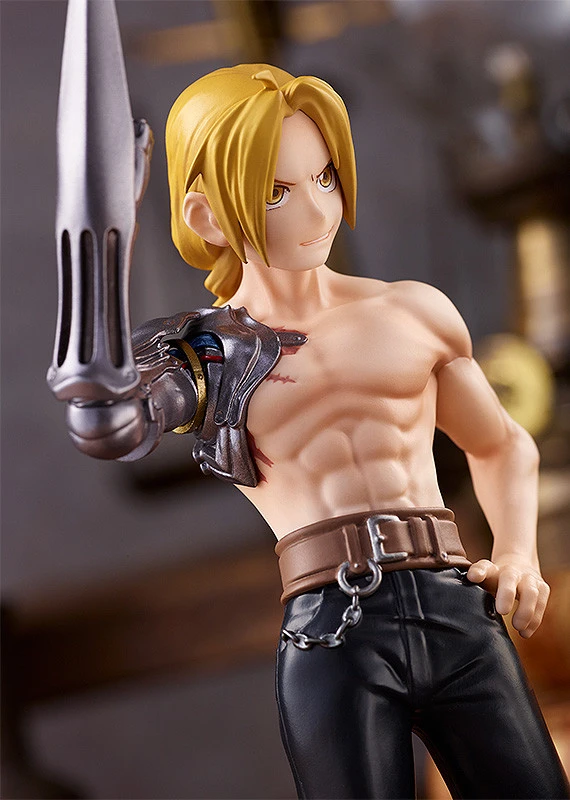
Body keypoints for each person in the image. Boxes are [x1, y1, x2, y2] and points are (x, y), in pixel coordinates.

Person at [62, 64, 569, 799]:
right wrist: (95, 322)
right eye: (277, 192)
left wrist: (518, 552)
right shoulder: (203, 354)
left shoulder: (413, 313)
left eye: (325, 178)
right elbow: (118, 424)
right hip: (334, 628)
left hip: (457, 605)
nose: (316, 210)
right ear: (207, 216)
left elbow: (500, 443)